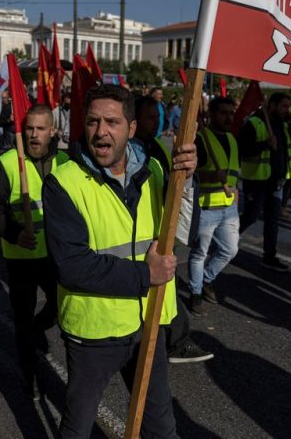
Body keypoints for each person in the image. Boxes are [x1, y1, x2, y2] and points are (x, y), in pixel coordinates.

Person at [42, 85, 196, 438]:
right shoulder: (63, 182)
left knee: (160, 426)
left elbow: (183, 234)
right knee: (78, 425)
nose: (101, 131)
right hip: (94, 331)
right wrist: (146, 273)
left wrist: (186, 184)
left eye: (112, 121)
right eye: (93, 121)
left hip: (149, 320)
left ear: (130, 128)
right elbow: (73, 265)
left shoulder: (157, 170)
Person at [0, 105, 69, 399]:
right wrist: (15, 234)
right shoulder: (7, 163)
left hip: (56, 257)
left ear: (53, 131)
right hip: (20, 259)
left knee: (62, 307)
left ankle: (38, 328)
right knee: (21, 319)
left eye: (41, 129)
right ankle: (29, 373)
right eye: (29, 128)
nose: (34, 134)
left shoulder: (66, 160)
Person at [132, 96, 212, 362]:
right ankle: (171, 340)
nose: (157, 123)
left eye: (159, 117)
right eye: (151, 118)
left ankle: (172, 340)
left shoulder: (155, 148)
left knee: (166, 288)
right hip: (144, 237)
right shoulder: (132, 151)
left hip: (160, 231)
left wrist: (186, 176)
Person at [188, 96, 240, 315]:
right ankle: (196, 293)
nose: (228, 117)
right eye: (223, 113)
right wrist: (209, 174)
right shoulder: (200, 139)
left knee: (230, 249)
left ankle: (207, 279)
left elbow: (233, 172)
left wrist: (236, 191)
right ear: (212, 114)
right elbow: (189, 173)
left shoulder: (232, 138)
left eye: (231, 113)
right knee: (199, 253)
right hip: (206, 208)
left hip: (229, 208)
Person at [238, 92, 291, 272]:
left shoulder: (282, 124)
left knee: (272, 220)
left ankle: (269, 256)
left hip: (275, 181)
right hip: (257, 180)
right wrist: (265, 144)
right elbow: (244, 150)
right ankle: (225, 241)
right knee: (251, 216)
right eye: (283, 106)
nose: (286, 110)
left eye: (288, 106)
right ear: (271, 105)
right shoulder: (254, 123)